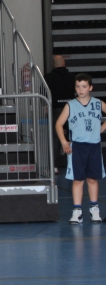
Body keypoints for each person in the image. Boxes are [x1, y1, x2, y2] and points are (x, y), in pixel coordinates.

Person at [55, 74, 105, 224]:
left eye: (84, 86)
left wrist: (100, 130)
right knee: (77, 180)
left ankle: (94, 209)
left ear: (90, 87)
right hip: (77, 147)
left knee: (92, 179)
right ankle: (77, 211)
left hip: (94, 146)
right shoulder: (70, 105)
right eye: (78, 86)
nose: (80, 89)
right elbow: (58, 124)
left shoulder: (98, 103)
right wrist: (64, 142)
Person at [46, 55, 76, 168]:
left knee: (55, 137)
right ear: (64, 63)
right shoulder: (72, 77)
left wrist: (46, 106)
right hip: (71, 109)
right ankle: (73, 163)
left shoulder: (48, 77)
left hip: (56, 109)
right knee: (73, 135)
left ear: (53, 64)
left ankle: (53, 166)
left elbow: (43, 92)